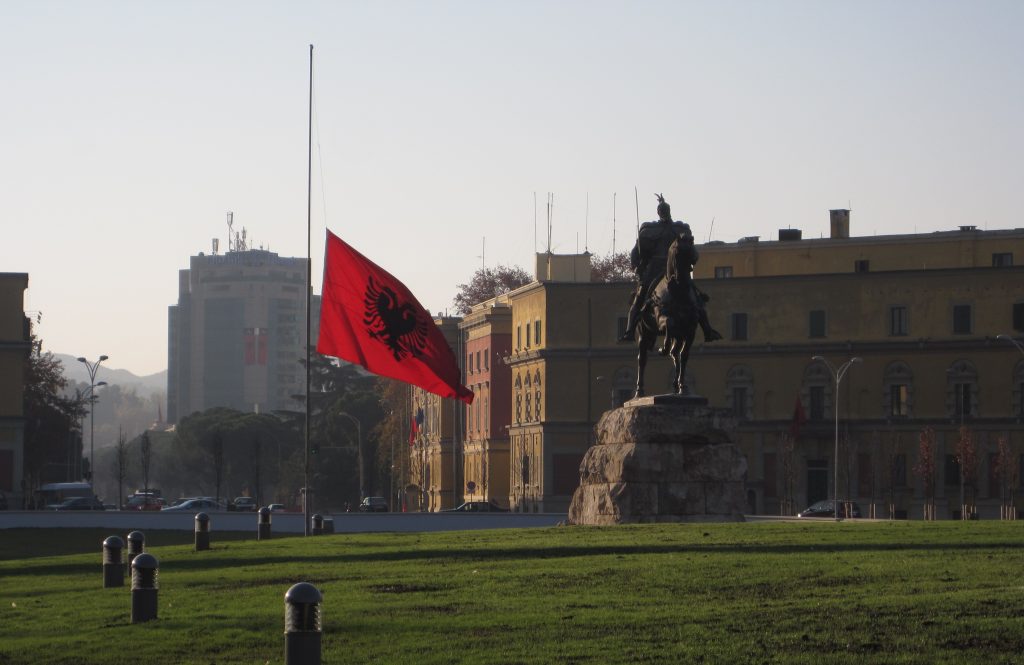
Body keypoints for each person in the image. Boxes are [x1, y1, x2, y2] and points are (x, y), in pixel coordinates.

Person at [620, 194, 719, 342]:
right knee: (640, 298)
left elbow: (691, 250)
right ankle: (629, 331)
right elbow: (636, 251)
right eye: (662, 210)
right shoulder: (649, 230)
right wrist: (637, 267)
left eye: (664, 210)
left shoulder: (680, 229)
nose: (663, 213)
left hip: (675, 268)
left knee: (695, 298)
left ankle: (707, 329)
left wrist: (691, 258)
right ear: (659, 212)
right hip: (654, 269)